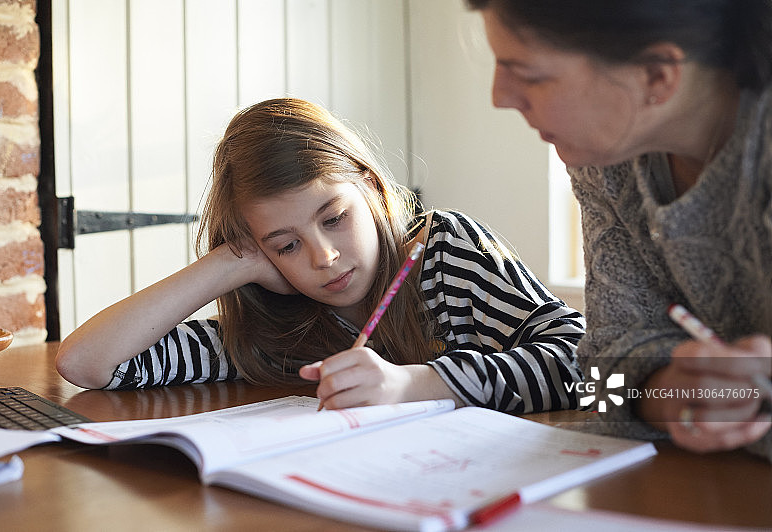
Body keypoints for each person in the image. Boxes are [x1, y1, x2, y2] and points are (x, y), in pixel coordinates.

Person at [56, 97, 585, 414]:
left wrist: (416, 384)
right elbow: (86, 363)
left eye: (335, 218)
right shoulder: (270, 331)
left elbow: (594, 370)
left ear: (372, 188)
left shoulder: (444, 251)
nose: (325, 257)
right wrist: (230, 263)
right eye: (286, 244)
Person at [466, 0, 772, 458]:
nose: (499, 96)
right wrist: (670, 397)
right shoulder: (605, 163)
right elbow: (595, 384)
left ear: (657, 75)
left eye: (530, 75)